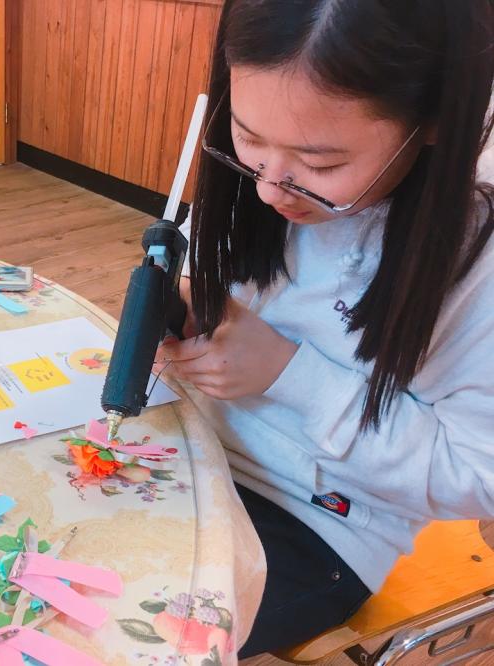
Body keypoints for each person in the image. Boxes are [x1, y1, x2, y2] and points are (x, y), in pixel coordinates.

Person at [158, 0, 494, 657]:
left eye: (321, 165)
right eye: (247, 137)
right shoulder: (258, 179)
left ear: (430, 121)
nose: (269, 188)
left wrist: (290, 375)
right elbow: (199, 277)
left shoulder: (473, 264)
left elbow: (476, 475)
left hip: (319, 529)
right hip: (186, 453)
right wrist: (179, 311)